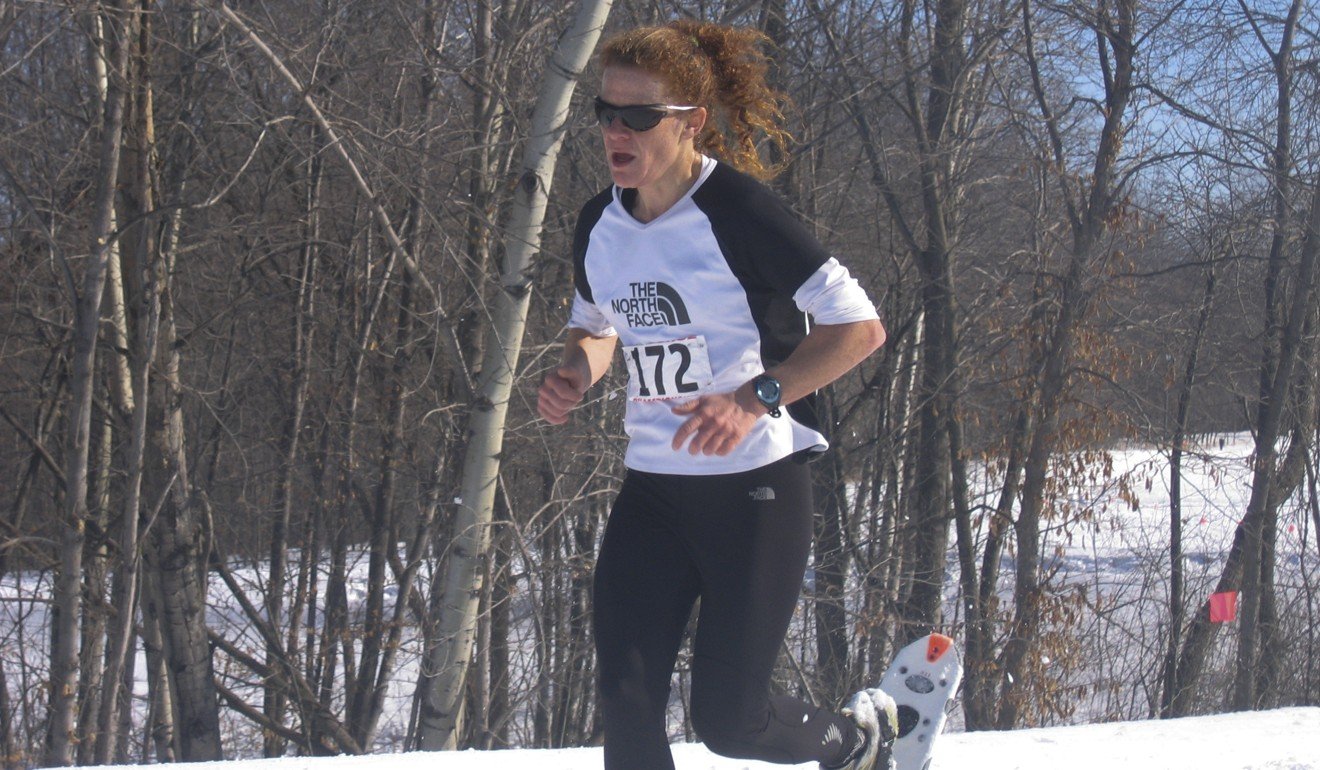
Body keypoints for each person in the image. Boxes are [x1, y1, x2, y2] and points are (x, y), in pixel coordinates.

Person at [537, 19, 896, 770]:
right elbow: (596, 326)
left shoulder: (739, 212)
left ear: (692, 123)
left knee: (731, 723)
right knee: (628, 711)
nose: (616, 131)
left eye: (639, 116)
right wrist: (577, 371)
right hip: (654, 493)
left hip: (754, 493)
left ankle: (859, 743)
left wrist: (757, 394)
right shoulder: (597, 223)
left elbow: (860, 329)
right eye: (606, 113)